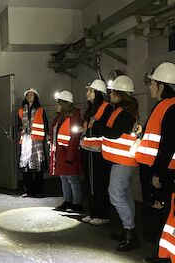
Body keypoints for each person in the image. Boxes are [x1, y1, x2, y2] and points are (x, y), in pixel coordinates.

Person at [91, 75, 139, 251]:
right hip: (121, 160)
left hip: (123, 161)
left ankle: (130, 232)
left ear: (119, 94)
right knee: (124, 195)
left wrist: (97, 126)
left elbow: (114, 133)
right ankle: (127, 229)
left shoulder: (125, 113)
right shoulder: (123, 110)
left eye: (112, 92)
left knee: (115, 195)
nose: (109, 95)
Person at [134, 62, 175, 263]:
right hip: (157, 169)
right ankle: (160, 254)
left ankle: (164, 257)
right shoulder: (164, 106)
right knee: (159, 213)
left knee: (163, 213)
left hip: (165, 172)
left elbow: (168, 144)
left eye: (152, 83)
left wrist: (158, 173)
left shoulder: (171, 107)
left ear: (162, 85)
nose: (149, 87)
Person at [80, 79, 113, 225]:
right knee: (90, 183)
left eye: (91, 91)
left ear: (99, 93)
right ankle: (93, 212)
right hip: (88, 150)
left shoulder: (107, 108)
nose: (87, 93)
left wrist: (92, 126)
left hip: (99, 152)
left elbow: (104, 127)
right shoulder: (90, 109)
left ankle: (103, 214)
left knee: (99, 183)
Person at [50, 90, 83, 212]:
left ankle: (77, 204)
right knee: (64, 178)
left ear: (65, 104)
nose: (56, 106)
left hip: (69, 154)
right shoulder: (60, 118)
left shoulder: (74, 118)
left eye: (58, 103)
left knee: (72, 179)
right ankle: (67, 201)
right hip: (60, 154)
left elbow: (74, 139)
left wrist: (70, 156)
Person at [18, 88, 49, 197]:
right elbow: (19, 125)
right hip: (26, 140)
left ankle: (39, 191)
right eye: (27, 95)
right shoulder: (21, 110)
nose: (29, 96)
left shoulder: (40, 110)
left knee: (38, 167)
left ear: (35, 97)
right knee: (26, 166)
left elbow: (45, 124)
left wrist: (46, 136)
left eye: (31, 95)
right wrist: (22, 129)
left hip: (37, 142)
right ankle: (28, 190)